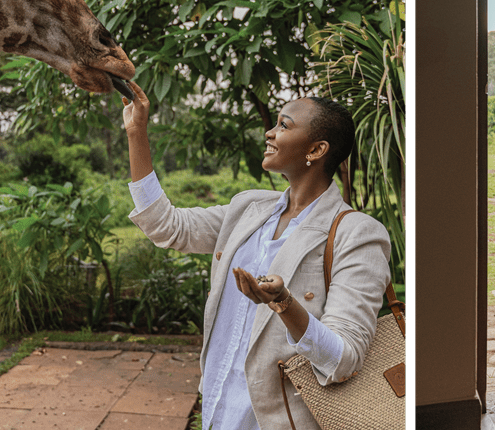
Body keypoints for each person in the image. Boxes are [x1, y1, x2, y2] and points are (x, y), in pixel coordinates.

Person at [119, 81, 391, 430]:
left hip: (278, 422)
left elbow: (344, 359)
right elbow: (167, 227)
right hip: (218, 407)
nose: (269, 132)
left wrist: (285, 303)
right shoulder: (248, 207)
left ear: (317, 148)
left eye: (284, 125)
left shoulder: (358, 234)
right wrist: (136, 132)